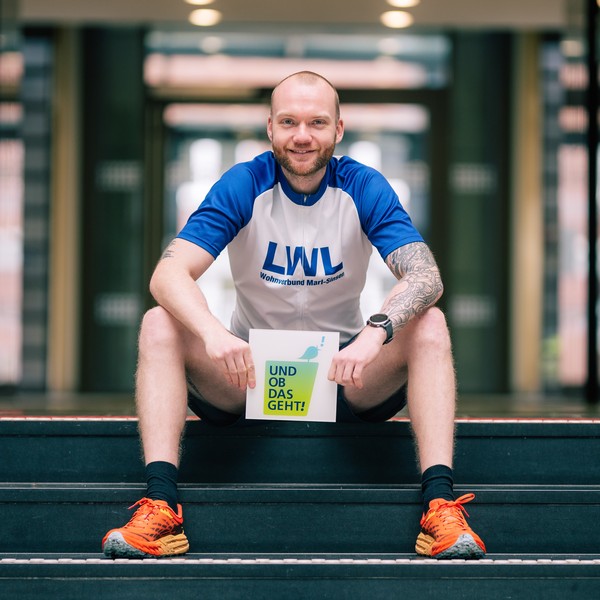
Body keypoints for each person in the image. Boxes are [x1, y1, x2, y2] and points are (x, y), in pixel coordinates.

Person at [102, 71, 486, 560]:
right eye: (289, 122)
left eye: (316, 122)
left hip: (344, 373)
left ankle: (440, 506)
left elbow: (425, 276)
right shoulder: (243, 183)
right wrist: (214, 334)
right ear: (269, 128)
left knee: (430, 322)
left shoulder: (363, 186)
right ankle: (160, 506)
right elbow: (168, 275)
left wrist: (377, 331)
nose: (302, 135)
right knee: (158, 321)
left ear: (338, 129)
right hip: (247, 374)